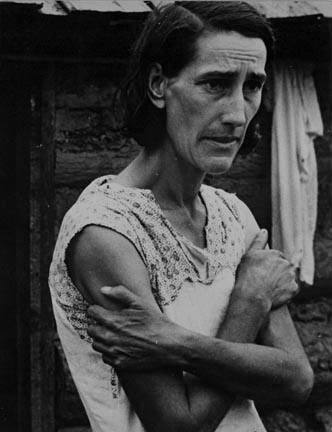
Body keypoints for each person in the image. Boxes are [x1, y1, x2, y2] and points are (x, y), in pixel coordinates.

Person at [49, 2, 314, 432]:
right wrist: (249, 301)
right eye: (215, 83)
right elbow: (179, 424)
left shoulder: (233, 216)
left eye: (253, 86)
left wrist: (174, 342)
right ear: (158, 85)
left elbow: (297, 378)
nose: (237, 114)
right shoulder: (105, 231)